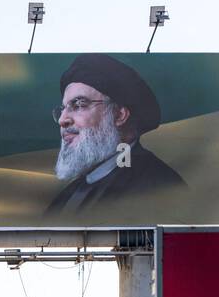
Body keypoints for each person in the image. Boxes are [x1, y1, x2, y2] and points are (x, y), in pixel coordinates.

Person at [44, 53, 185, 217]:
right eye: (63, 109)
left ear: (119, 115)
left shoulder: (159, 185)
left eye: (79, 105)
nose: (62, 120)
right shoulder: (66, 198)